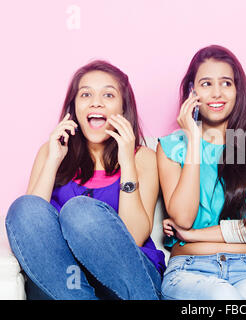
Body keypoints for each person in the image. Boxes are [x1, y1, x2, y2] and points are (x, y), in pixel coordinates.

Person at [5, 60, 165, 300]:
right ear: (74, 107)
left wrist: (127, 162)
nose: (96, 102)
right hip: (66, 281)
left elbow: (135, 236)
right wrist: (53, 160)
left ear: (123, 108)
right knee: (23, 207)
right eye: (86, 94)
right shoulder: (50, 152)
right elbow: (31, 230)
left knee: (79, 211)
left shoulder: (142, 157)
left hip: (128, 278)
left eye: (108, 95)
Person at [157, 45, 246, 300]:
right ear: (192, 92)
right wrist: (193, 139)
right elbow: (182, 217)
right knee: (222, 295)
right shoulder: (172, 147)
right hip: (190, 269)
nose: (217, 93)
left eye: (226, 83)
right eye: (206, 84)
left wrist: (194, 235)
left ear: (238, 90)